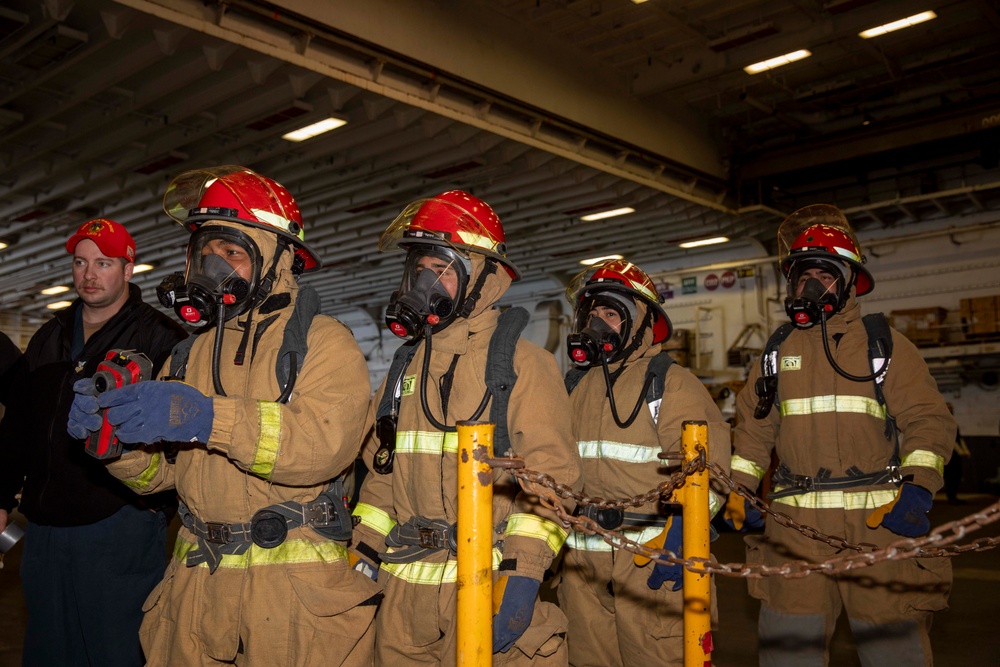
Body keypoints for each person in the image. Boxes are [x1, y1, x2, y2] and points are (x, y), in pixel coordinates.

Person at [66, 167, 378, 666]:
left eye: (232, 252)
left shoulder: (321, 341)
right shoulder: (187, 355)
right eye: (205, 252)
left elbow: (321, 449)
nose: (213, 265)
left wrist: (208, 419)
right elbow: (164, 475)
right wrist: (116, 447)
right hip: (194, 591)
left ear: (276, 260)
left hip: (290, 603)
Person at [351, 190, 583, 665]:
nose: (423, 280)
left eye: (440, 268)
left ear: (482, 277)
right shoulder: (405, 367)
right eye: (419, 268)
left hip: (487, 584)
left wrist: (521, 577)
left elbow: (552, 479)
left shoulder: (523, 365)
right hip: (403, 596)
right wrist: (364, 553)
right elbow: (380, 475)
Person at [730, 204, 956, 666]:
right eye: (803, 275)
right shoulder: (774, 354)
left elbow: (928, 421)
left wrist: (918, 488)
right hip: (794, 535)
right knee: (787, 652)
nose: (812, 285)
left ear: (850, 281)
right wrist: (738, 493)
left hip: (877, 529)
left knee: (894, 652)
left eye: (825, 274)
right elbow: (753, 435)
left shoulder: (884, 346)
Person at [0, 218, 187, 667]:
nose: (89, 274)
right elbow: (19, 427)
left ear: (128, 268)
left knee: (114, 651)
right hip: (45, 529)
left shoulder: (162, 339)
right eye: (81, 263)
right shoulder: (50, 336)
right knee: (47, 650)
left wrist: (159, 506)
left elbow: (182, 435)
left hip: (118, 524)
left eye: (103, 263)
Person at [555, 258, 731, 666]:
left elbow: (711, 467)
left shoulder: (668, 382)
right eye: (591, 313)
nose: (596, 322)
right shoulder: (573, 385)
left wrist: (686, 532)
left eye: (611, 314)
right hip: (583, 566)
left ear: (639, 324)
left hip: (649, 560)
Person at [942, 403, 971, 504]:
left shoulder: (953, 422)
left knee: (957, 475)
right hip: (948, 453)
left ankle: (954, 495)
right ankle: (951, 497)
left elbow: (959, 438)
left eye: (951, 409)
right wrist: (960, 451)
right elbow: (949, 439)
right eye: (948, 409)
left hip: (956, 454)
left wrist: (965, 450)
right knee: (950, 475)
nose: (950, 410)